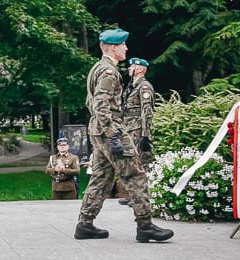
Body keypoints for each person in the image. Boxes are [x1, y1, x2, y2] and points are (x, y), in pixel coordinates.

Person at [74, 28, 173, 242]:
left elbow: (91, 102)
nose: (126, 48)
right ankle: (145, 225)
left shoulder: (97, 68)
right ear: (112, 47)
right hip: (111, 130)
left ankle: (85, 224)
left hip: (99, 130)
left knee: (101, 177)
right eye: (123, 45)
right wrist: (113, 135)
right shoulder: (109, 72)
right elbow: (101, 105)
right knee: (135, 174)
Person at [118, 57, 156, 207]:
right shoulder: (132, 87)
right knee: (132, 164)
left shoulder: (144, 87)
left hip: (139, 131)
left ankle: (141, 198)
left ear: (140, 69)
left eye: (132, 66)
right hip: (129, 131)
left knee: (142, 165)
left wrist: (145, 135)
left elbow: (147, 112)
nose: (128, 69)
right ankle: (133, 196)